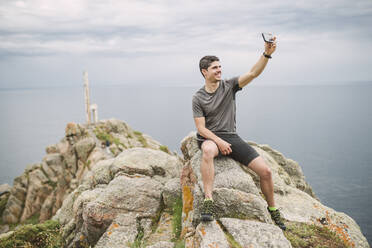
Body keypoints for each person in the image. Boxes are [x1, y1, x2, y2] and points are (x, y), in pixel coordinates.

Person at [192, 37, 286, 230]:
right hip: (210, 137)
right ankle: (208, 200)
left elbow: (253, 73)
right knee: (208, 151)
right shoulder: (198, 97)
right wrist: (219, 142)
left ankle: (273, 209)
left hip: (231, 136)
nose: (219, 70)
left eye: (220, 67)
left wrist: (267, 54)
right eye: (214, 68)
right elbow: (201, 128)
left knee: (266, 172)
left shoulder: (229, 86)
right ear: (204, 72)